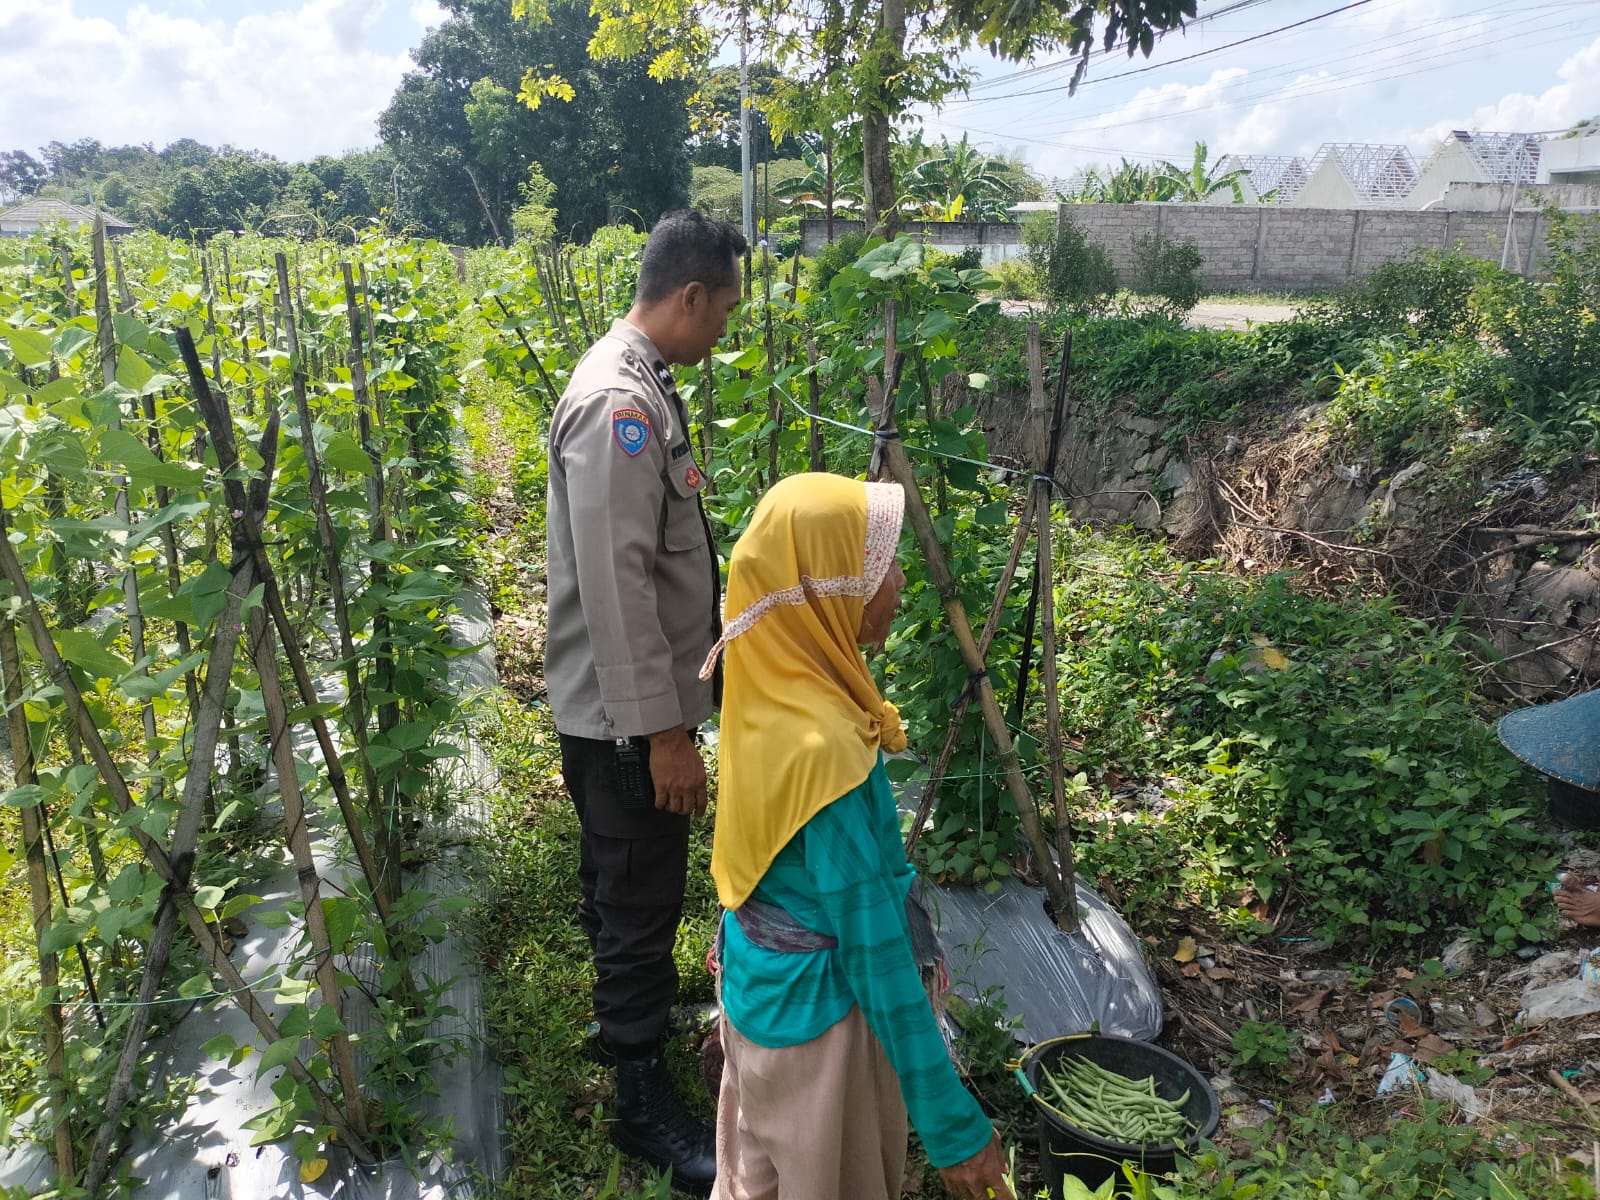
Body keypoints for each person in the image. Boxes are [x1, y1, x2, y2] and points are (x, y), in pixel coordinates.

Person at [699, 473, 1015, 1200]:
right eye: (881, 569)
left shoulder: (769, 679)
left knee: (755, 1179)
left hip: (756, 996)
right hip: (820, 1041)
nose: (900, 582)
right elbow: (875, 955)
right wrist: (953, 1126)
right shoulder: (827, 752)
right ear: (825, 591)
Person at [545, 208, 746, 1190]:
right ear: (689, 297)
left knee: (616, 875)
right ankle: (639, 1099)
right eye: (723, 315)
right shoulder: (616, 405)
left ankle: (617, 1019)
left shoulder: (643, 387)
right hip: (627, 714)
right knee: (639, 889)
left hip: (621, 708)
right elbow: (619, 585)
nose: (725, 336)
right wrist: (664, 733)